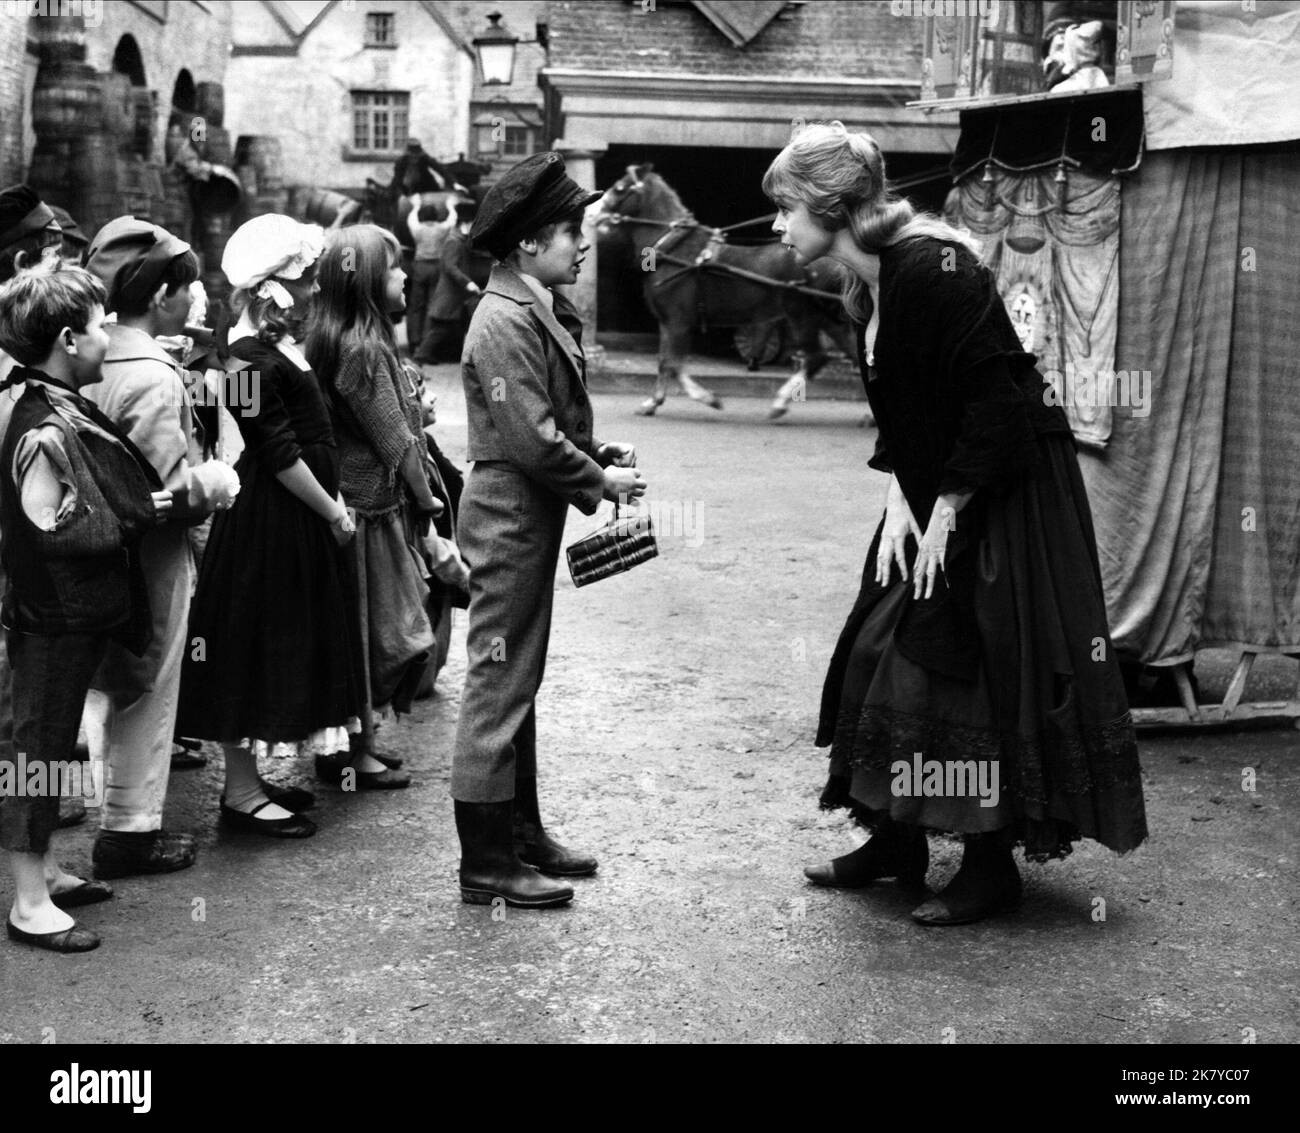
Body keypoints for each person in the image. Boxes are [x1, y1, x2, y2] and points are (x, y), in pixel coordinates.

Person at [764, 122, 1147, 925]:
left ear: (830, 207)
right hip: (934, 486)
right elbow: (909, 410)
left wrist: (946, 509)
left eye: (786, 208)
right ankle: (895, 841)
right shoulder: (865, 284)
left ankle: (987, 865)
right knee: (879, 644)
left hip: (1003, 487)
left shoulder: (933, 271)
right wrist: (899, 499)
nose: (776, 225)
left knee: (966, 670)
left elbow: (998, 407)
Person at [452, 151, 646, 909]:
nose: (582, 242)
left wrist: (596, 451)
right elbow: (530, 439)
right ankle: (486, 865)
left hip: (524, 511)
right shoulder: (504, 318)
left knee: (518, 677)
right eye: (570, 230)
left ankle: (521, 834)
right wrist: (600, 481)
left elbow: (547, 423)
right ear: (529, 243)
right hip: (508, 516)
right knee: (498, 683)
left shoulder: (529, 305)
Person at [0, 264, 172, 952]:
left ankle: (44, 869)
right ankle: (27, 899)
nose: (108, 338)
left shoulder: (45, 400)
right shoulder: (42, 423)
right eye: (100, 327)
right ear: (69, 339)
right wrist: (152, 509)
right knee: (32, 754)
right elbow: (55, 527)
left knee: (53, 740)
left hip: (64, 615)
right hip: (50, 615)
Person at [175, 215, 362, 838]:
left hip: (292, 521)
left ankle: (250, 782)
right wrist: (333, 510)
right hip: (270, 523)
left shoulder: (272, 350)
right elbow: (277, 453)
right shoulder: (246, 361)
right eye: (305, 281)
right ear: (272, 289)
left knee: (276, 645)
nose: (314, 291)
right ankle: (241, 793)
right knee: (251, 647)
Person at [80, 217, 242, 880]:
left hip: (90, 559)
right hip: (149, 561)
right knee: (145, 686)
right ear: (161, 296)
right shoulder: (152, 375)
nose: (192, 298)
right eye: (186, 286)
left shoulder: (92, 356)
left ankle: (83, 811)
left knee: (97, 683)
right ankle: (128, 829)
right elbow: (157, 497)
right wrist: (213, 484)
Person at [305, 223, 461, 788]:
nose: (407, 277)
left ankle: (359, 745)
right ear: (370, 282)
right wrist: (429, 501)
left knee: (372, 631)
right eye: (396, 268)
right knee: (381, 634)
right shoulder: (364, 349)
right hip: (370, 512)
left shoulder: (353, 342)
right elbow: (394, 440)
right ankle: (353, 755)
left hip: (366, 508)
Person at [414, 198, 480, 365]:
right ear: (465, 223)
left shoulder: (458, 240)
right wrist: (468, 283)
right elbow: (451, 267)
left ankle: (433, 353)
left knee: (453, 326)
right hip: (450, 294)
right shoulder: (454, 241)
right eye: (472, 223)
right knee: (441, 328)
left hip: (455, 295)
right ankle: (421, 354)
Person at [405, 200, 456, 356]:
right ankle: (426, 346)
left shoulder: (418, 230)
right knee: (430, 306)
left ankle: (414, 342)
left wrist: (415, 206)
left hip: (420, 267)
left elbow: (410, 220)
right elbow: (452, 220)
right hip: (436, 268)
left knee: (415, 306)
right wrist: (450, 206)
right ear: (435, 216)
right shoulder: (441, 229)